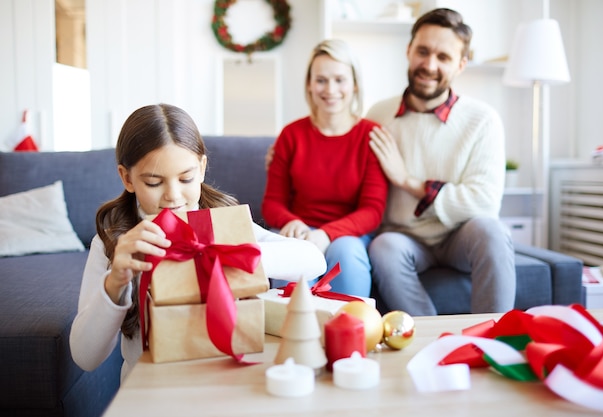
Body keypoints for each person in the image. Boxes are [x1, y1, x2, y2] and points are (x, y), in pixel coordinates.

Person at [69, 104, 327, 381]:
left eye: (186, 178)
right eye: (154, 183)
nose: (173, 196)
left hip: (226, 381)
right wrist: (116, 282)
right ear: (127, 178)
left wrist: (227, 253)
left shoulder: (220, 221)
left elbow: (314, 260)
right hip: (149, 392)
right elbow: (85, 357)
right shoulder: (116, 241)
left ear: (202, 169)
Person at [367, 8, 516, 316]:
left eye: (443, 57)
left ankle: (494, 338)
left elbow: (485, 203)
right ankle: (427, 340)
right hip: (404, 239)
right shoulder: (377, 115)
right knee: (383, 247)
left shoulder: (482, 120)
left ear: (461, 65)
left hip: (461, 235)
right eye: (422, 51)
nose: (429, 65)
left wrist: (407, 181)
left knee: (492, 230)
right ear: (408, 51)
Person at [261, 39, 388, 297]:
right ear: (309, 84)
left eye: (340, 79)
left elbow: (372, 211)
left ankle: (353, 329)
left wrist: (327, 234)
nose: (330, 89)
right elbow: (272, 203)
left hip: (347, 235)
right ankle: (296, 331)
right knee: (292, 254)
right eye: (321, 80)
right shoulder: (291, 135)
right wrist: (292, 221)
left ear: (354, 84)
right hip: (300, 231)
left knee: (347, 252)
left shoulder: (370, 135)